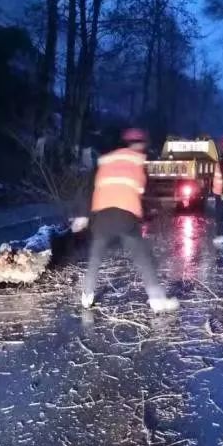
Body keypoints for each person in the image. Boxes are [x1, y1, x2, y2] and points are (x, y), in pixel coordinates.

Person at [81, 128, 179, 313]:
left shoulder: (106, 160)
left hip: (101, 215)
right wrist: (152, 211)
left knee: (95, 256)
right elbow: (143, 192)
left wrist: (83, 215)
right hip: (125, 214)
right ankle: (157, 299)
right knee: (142, 257)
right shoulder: (137, 161)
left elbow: (90, 187)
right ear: (139, 144)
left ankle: (87, 295)